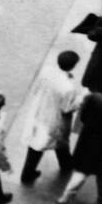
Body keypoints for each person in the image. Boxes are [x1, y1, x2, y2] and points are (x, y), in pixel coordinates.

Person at [21, 50, 82, 184]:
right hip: (53, 119)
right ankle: (27, 174)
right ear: (73, 66)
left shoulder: (47, 72)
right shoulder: (68, 87)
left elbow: (36, 89)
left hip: (39, 111)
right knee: (42, 144)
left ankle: (65, 163)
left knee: (45, 142)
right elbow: (66, 108)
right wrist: (78, 102)